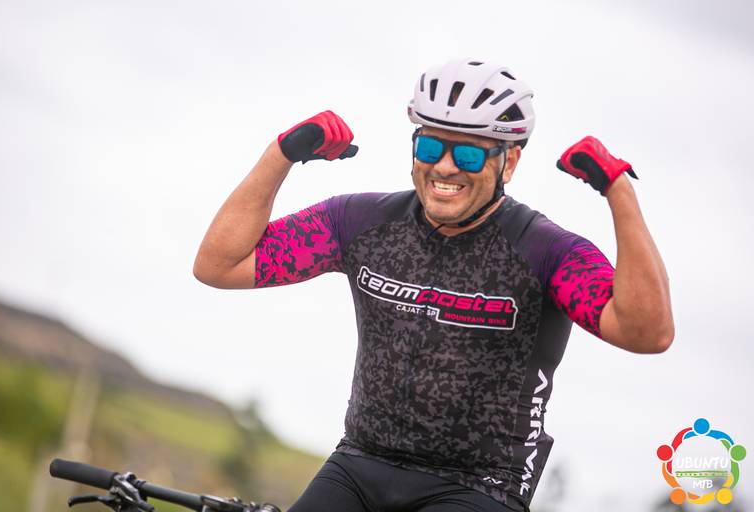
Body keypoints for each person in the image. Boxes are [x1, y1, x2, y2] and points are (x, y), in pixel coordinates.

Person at [193, 58, 674, 512]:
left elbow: (647, 333)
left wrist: (618, 191)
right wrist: (281, 154)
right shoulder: (361, 223)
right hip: (361, 460)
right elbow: (219, 265)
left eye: (467, 153)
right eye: (429, 147)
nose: (444, 167)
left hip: (482, 483)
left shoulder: (546, 251)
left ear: (508, 163)